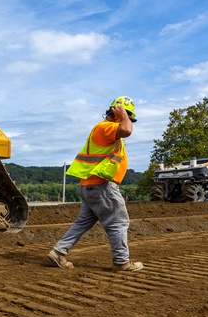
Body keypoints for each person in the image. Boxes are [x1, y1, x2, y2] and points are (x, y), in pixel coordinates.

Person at [48, 96, 144, 272]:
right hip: (102, 188)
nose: (130, 121)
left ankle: (59, 252)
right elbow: (127, 130)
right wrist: (123, 115)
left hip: (91, 186)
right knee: (118, 223)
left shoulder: (105, 130)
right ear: (117, 113)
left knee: (82, 222)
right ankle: (122, 262)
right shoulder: (107, 127)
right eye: (128, 117)